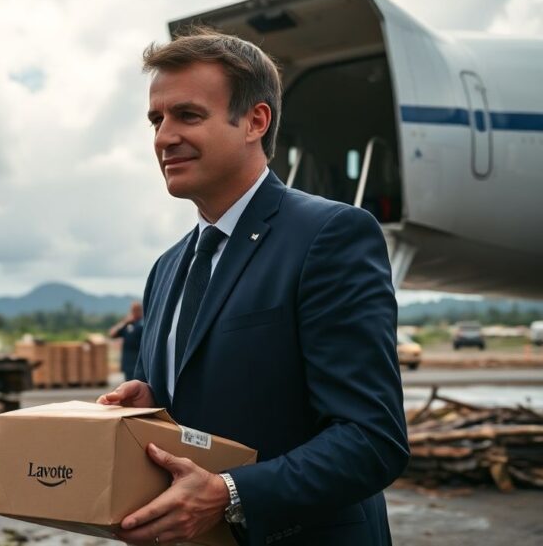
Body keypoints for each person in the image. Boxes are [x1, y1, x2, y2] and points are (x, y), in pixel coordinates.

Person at [98, 28, 408, 545]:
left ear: (255, 122)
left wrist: (231, 492)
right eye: (157, 119)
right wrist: (151, 403)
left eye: (187, 115)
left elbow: (372, 440)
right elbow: (194, 412)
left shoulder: (329, 236)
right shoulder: (167, 267)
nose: (163, 137)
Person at [108, 301, 144, 382]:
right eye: (133, 310)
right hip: (127, 362)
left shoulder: (144, 323)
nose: (134, 312)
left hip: (139, 362)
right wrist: (124, 322)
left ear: (141, 310)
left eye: (137, 310)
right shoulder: (127, 324)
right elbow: (112, 334)